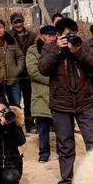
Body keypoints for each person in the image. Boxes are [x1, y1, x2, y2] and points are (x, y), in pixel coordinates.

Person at [39, 18, 93, 184]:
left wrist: (78, 51)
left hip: (85, 102)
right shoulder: (49, 48)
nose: (71, 38)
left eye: (73, 34)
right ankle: (66, 183)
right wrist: (58, 49)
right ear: (58, 35)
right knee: (65, 145)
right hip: (60, 104)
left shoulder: (83, 46)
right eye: (67, 35)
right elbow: (42, 69)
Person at [26, 25, 57, 163]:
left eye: (53, 35)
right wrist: (55, 80)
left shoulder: (60, 49)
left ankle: (63, 151)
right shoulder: (33, 51)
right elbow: (33, 71)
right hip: (41, 94)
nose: (51, 38)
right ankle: (44, 153)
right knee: (42, 127)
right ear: (42, 36)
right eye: (48, 35)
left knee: (61, 127)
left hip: (58, 94)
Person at [8, 12, 37, 134]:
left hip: (28, 73)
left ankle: (30, 124)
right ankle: (16, 126)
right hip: (13, 73)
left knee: (29, 100)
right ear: (12, 24)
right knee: (14, 102)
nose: (18, 24)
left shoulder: (32, 35)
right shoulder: (8, 36)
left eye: (20, 21)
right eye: (16, 22)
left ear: (23, 22)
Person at [0, 18, 25, 107]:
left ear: (4, 28)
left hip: (13, 80)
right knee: (1, 107)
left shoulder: (11, 40)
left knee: (16, 107)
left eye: (1, 27)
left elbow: (20, 56)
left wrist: (17, 70)